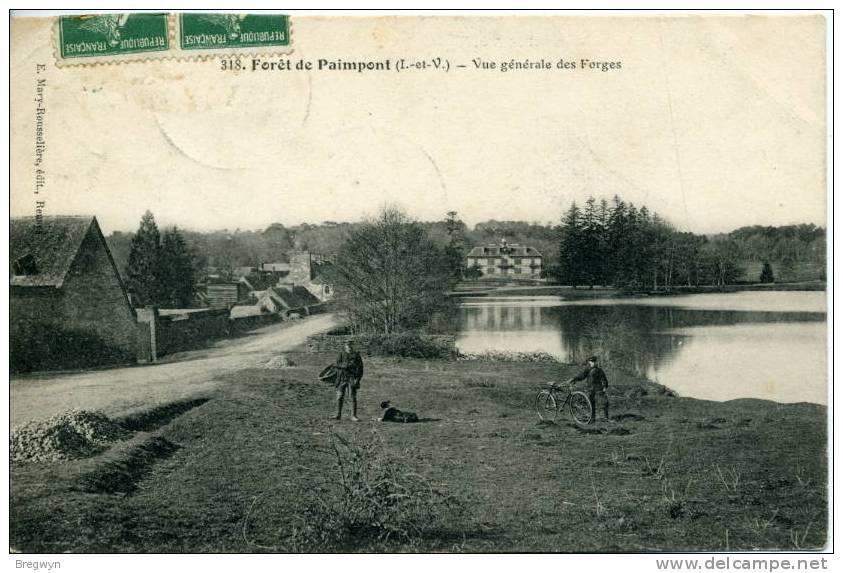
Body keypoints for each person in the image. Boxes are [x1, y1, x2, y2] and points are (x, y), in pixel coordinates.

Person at [568, 355, 611, 423]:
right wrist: (574, 379)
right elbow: (582, 376)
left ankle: (606, 417)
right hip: (590, 389)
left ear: (596, 362)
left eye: (593, 361)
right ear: (589, 362)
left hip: (598, 389)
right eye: (591, 362)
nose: (592, 363)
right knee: (591, 404)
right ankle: (592, 419)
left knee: (604, 402)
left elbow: (604, 378)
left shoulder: (599, 370)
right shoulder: (588, 369)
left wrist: (605, 387)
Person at [330, 340, 364, 421]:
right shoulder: (341, 354)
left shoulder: (356, 355)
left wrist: (358, 379)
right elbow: (336, 365)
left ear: (353, 346)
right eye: (348, 346)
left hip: (352, 378)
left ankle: (353, 416)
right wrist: (344, 366)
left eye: (351, 346)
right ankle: (337, 414)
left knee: (352, 397)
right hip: (341, 378)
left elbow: (361, 369)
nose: (349, 347)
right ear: (345, 346)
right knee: (339, 396)